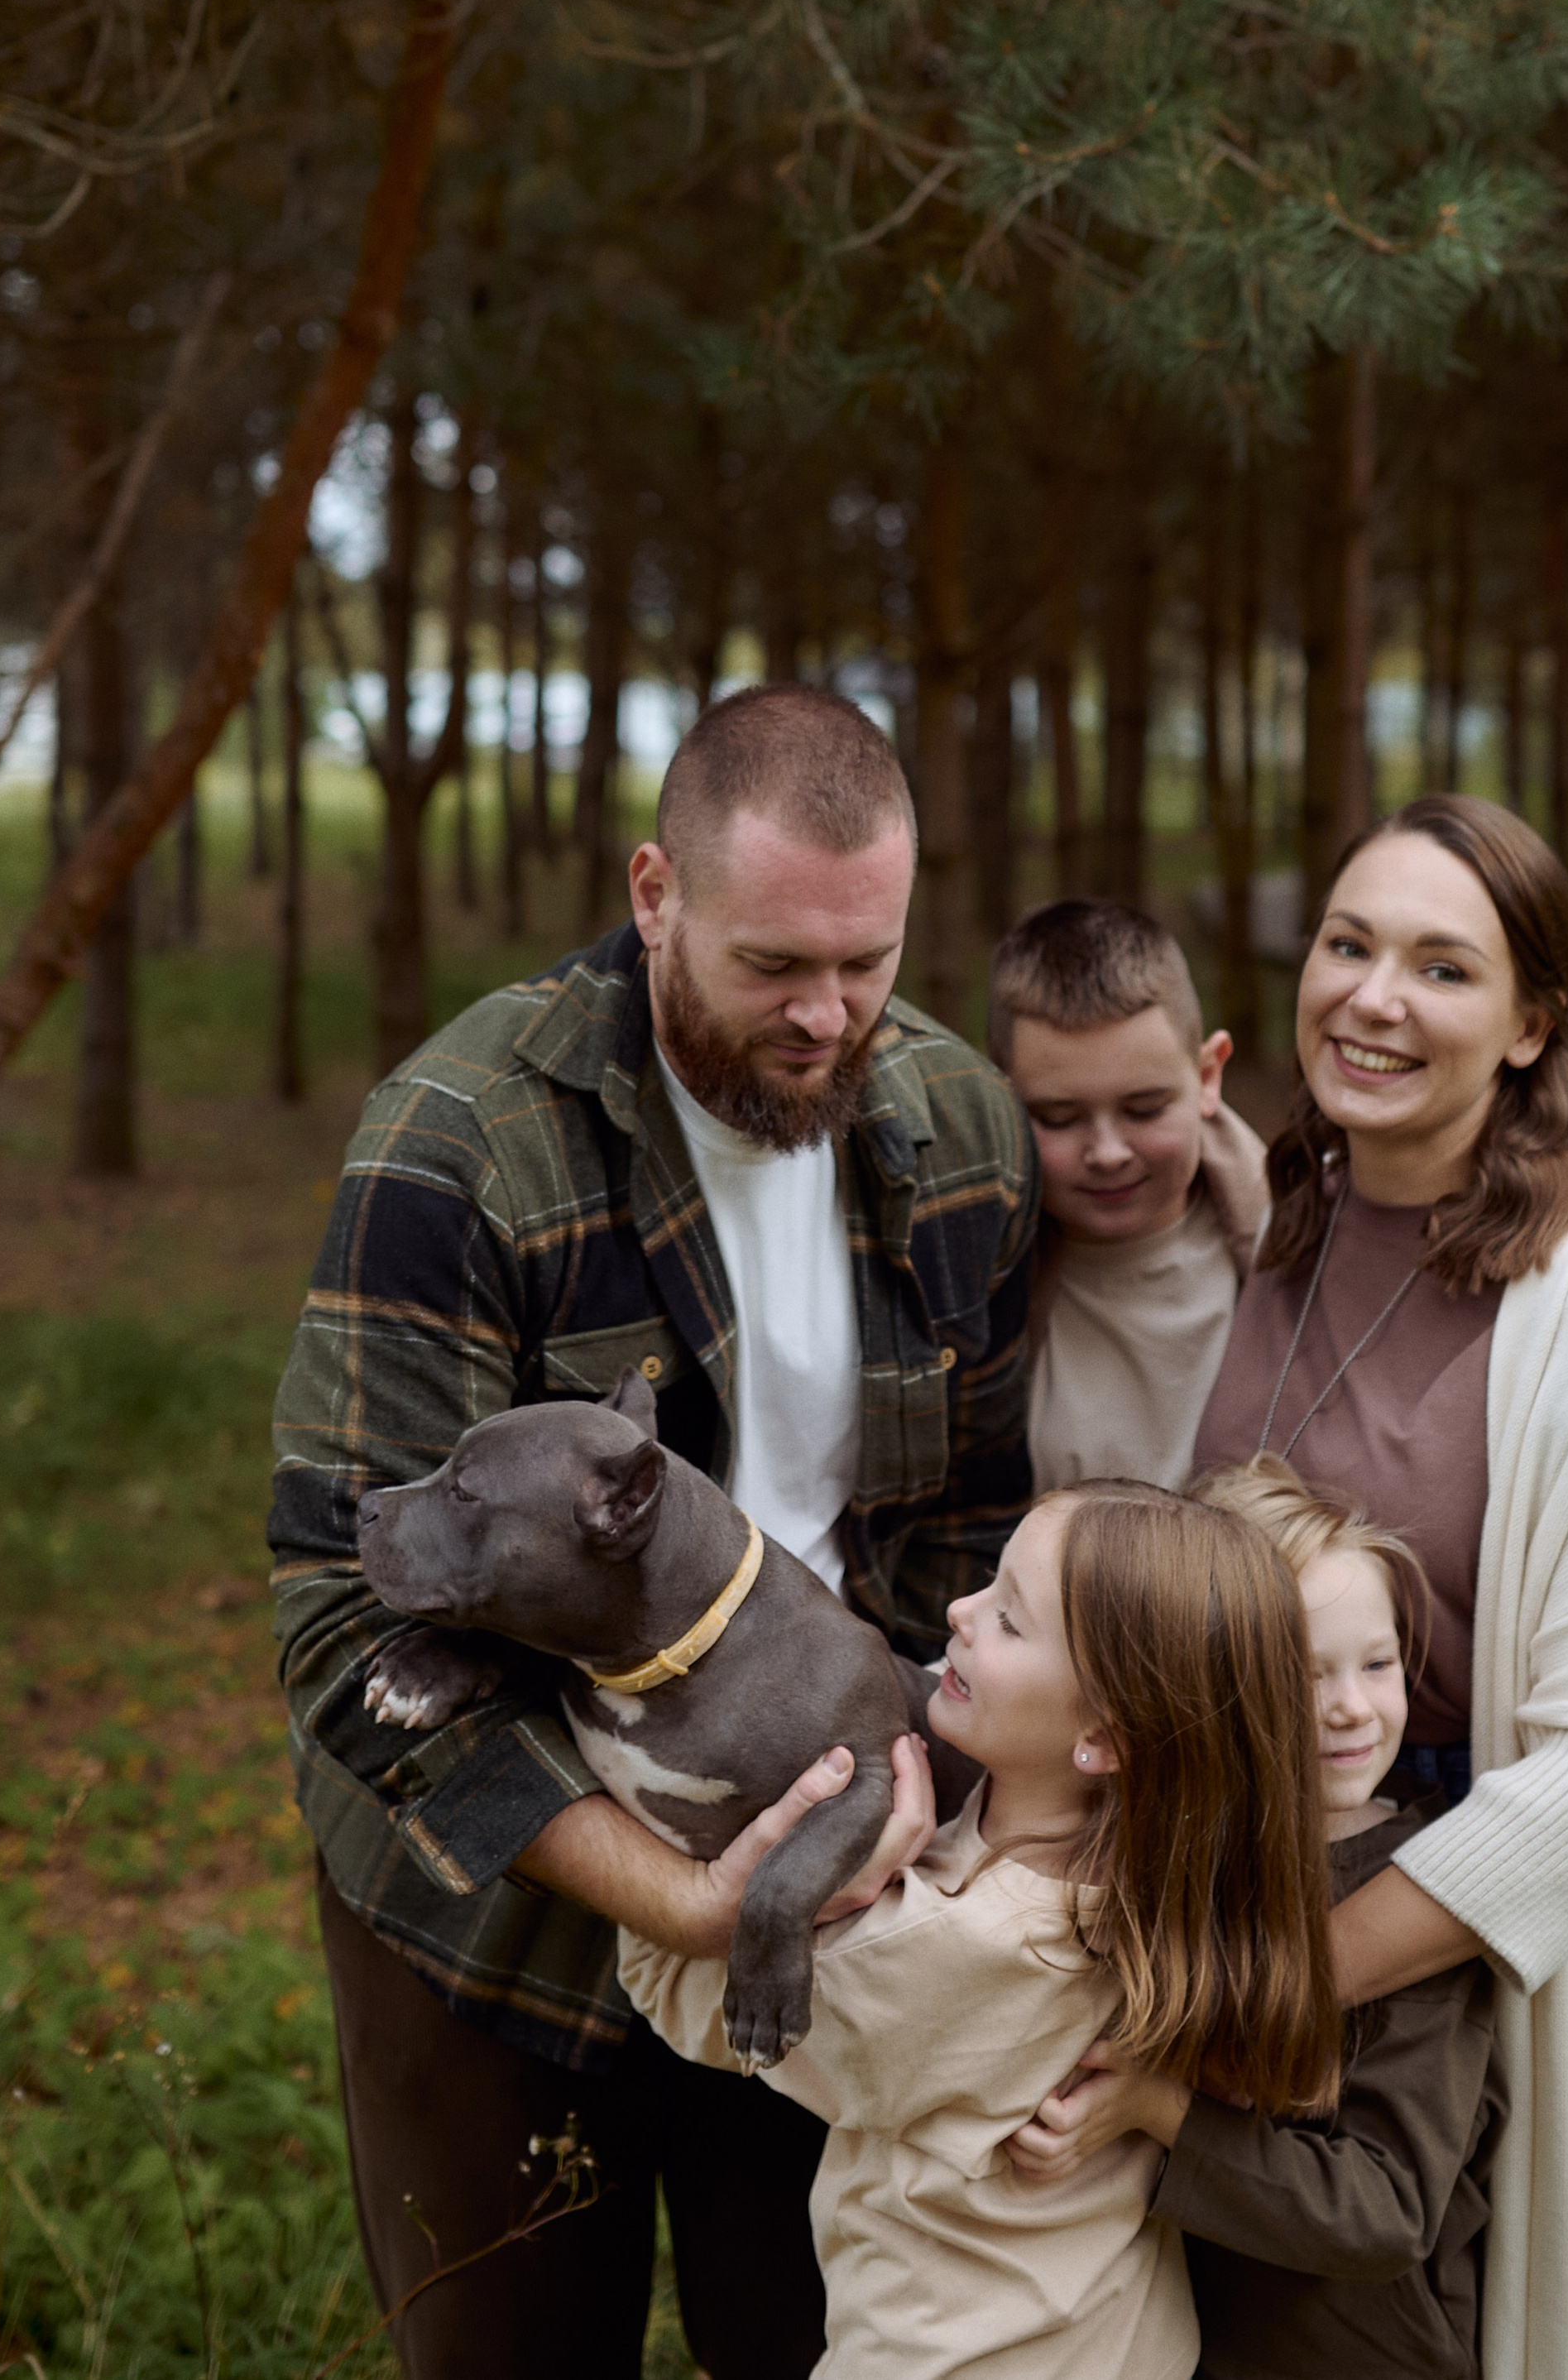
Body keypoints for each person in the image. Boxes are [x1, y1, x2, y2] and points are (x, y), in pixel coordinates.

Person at [269, 684, 1037, 2380]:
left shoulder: (961, 1128)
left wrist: (906, 1857)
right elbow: (339, 1621)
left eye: (868, 959)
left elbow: (972, 1540)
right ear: (653, 892)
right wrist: (685, 1897)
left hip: (831, 1909)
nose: (828, 1014)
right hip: (498, 1929)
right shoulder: (461, 1141)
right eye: (773, 963)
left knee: (818, 2350)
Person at [1168, 791, 1568, 2380]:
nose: (1375, 995)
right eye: (1349, 943)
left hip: (1458, 1932)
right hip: (1241, 1865)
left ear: (1532, 1024)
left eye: (1443, 965)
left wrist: (1271, 1988)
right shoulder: (1290, 1214)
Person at [616, 1480, 1344, 2380]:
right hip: (1114, 2341)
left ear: (1104, 1738)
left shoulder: (968, 1950)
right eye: (989, 1585)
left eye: (1008, 1619)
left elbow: (684, 1996)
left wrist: (742, 1864)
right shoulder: (1163, 1883)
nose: (961, 1611)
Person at [1012, 1456, 1504, 2380]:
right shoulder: (1172, 1847)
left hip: (1357, 2355)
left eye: (1378, 1663)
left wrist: (1160, 2111)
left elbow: (1385, 2211)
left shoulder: (1423, 1896)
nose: (1351, 1707)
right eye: (1302, 1675)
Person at [987, 898, 1267, 1492]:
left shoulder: (1300, 1244)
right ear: (1000, 1101)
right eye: (1059, 1118)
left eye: (1144, 1109)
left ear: (1208, 1076)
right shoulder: (973, 1277)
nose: (1108, 1152)